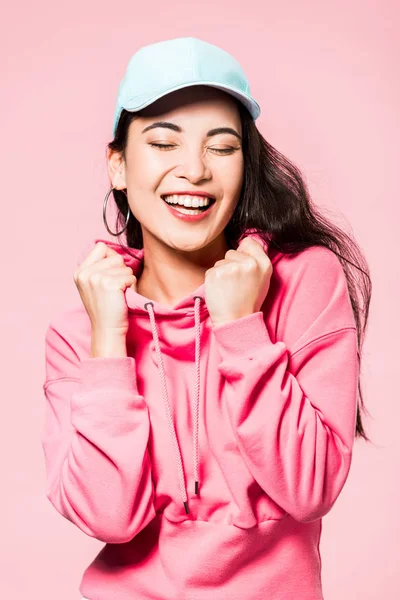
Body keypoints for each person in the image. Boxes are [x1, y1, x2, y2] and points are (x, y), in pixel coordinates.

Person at [40, 37, 372, 600]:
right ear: (118, 165)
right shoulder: (82, 334)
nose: (193, 170)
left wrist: (242, 330)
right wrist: (109, 345)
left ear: (246, 166)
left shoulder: (301, 283)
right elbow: (108, 517)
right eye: (163, 142)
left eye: (222, 147)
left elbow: (310, 486)